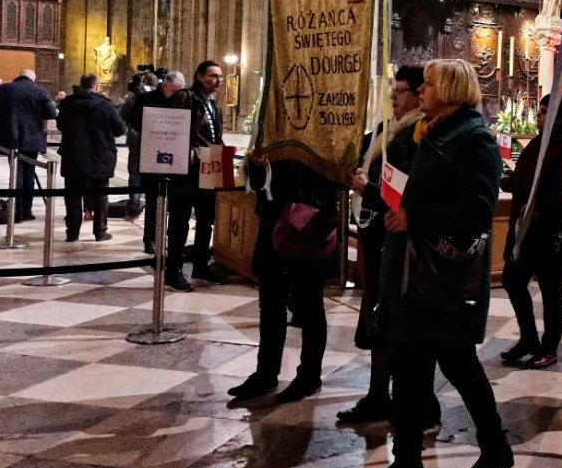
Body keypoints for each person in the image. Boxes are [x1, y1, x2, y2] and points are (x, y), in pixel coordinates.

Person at [357, 59, 509, 468]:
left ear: (451, 88)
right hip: (408, 275)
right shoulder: (427, 133)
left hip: (443, 278)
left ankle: (495, 448)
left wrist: (414, 219)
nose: (420, 90)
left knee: (461, 368)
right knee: (406, 373)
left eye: (428, 84)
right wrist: (370, 190)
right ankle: (406, 464)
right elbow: (405, 195)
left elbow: (478, 212)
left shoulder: (474, 138)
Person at [340, 65, 427, 423]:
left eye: (401, 92)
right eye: (392, 91)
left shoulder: (420, 134)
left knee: (398, 323)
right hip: (374, 236)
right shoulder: (383, 131)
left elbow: (405, 192)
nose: (393, 98)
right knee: (376, 315)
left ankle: (414, 402)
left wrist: (367, 189)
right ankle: (378, 394)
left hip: (400, 240)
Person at [228, 156, 338, 403]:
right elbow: (255, 183)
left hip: (310, 221)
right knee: (269, 303)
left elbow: (334, 176)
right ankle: (266, 374)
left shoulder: (323, 127)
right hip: (272, 220)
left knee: (309, 306)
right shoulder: (271, 127)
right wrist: (256, 164)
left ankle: (309, 376)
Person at [501, 91, 562, 368]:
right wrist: (509, 182)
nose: (540, 116)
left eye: (546, 112)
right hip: (523, 228)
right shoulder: (538, 143)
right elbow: (527, 177)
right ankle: (528, 338)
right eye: (541, 111)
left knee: (550, 290)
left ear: (561, 118)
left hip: (549, 230)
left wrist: (541, 205)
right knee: (512, 280)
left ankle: (549, 347)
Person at [165, 61, 225, 291]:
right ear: (199, 76)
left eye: (220, 76)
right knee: (180, 221)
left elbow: (213, 135)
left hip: (208, 167)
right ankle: (174, 271)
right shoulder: (185, 98)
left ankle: (201, 265)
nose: (218, 80)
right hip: (187, 169)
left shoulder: (214, 105)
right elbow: (173, 127)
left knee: (206, 219)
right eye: (212, 76)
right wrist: (184, 147)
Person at [57, 73, 126, 242]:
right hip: (100, 156)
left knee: (73, 195)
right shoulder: (106, 105)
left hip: (73, 155)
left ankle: (72, 232)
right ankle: (100, 231)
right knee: (101, 194)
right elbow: (120, 130)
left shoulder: (68, 104)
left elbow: (60, 125)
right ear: (97, 86)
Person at [0, 69, 57, 221]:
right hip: (32, 139)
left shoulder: (4, 89)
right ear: (33, 78)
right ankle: (26, 211)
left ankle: (15, 211)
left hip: (10, 137)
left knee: (16, 171)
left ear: (18, 76)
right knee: (29, 173)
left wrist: (7, 112)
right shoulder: (40, 91)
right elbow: (51, 113)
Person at [131, 71, 186, 256]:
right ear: (165, 86)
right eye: (175, 90)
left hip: (175, 156)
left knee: (176, 203)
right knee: (153, 201)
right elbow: (135, 122)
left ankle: (171, 239)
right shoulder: (145, 99)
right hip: (152, 154)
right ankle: (150, 239)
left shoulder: (183, 100)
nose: (179, 94)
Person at [120, 71, 159, 213]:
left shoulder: (134, 97)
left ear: (143, 82)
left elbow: (123, 115)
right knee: (155, 174)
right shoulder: (161, 97)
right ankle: (154, 204)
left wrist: (131, 127)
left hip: (136, 140)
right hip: (156, 141)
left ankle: (134, 203)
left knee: (135, 174)